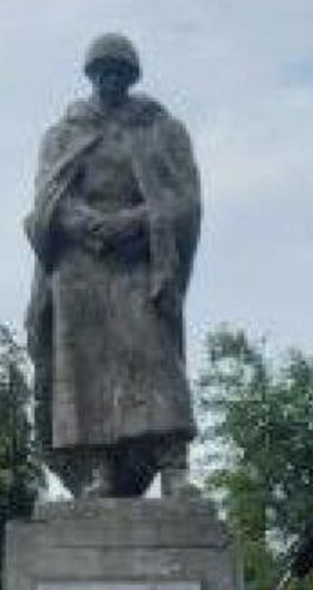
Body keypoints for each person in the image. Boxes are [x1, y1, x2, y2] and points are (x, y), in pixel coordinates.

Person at [24, 32, 203, 498]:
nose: (109, 79)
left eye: (119, 71)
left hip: (140, 258)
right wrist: (80, 222)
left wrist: (137, 220)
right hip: (79, 264)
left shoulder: (160, 129)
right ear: (89, 75)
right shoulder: (63, 134)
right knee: (82, 365)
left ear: (132, 75)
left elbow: (184, 200)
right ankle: (95, 467)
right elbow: (47, 200)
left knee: (153, 356)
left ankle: (173, 466)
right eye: (101, 71)